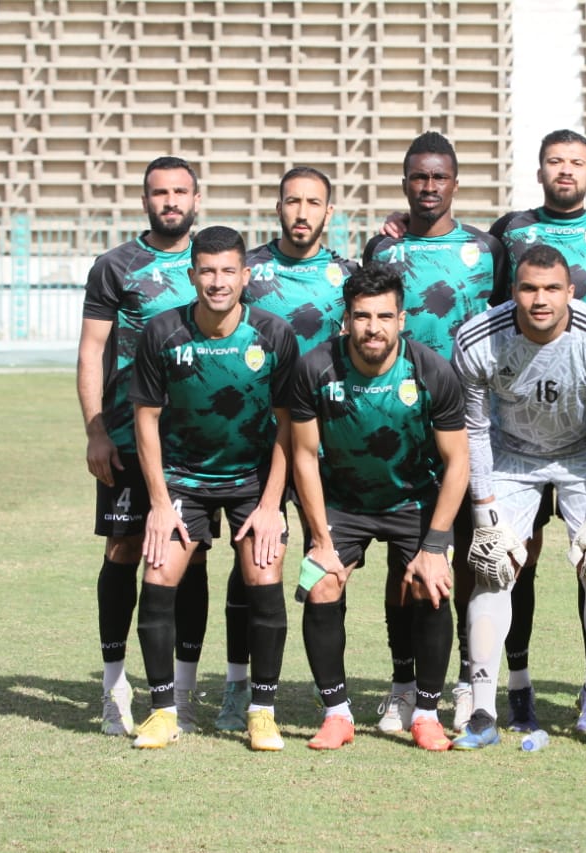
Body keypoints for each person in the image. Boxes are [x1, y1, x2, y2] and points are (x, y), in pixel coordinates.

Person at [449, 243, 586, 751]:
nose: (540, 299)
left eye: (552, 288)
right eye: (529, 288)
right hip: (510, 453)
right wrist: (484, 509)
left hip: (584, 454)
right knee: (492, 568)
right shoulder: (477, 339)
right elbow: (473, 429)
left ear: (570, 291)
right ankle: (483, 712)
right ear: (513, 292)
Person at [127, 225, 297, 751]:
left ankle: (261, 712)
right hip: (183, 478)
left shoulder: (274, 334)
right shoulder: (162, 333)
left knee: (264, 571)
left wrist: (271, 505)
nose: (217, 282)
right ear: (191, 275)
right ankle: (163, 712)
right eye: (207, 271)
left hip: (252, 481)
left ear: (246, 276)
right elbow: (146, 419)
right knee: (159, 572)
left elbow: (288, 425)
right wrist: (159, 504)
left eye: (227, 271)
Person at [290, 264, 470, 752]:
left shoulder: (432, 371)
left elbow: (458, 462)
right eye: (363, 316)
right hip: (343, 502)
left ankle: (426, 714)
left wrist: (435, 546)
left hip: (414, 500)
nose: (374, 328)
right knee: (320, 581)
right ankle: (336, 714)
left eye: (384, 316)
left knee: (431, 585)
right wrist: (320, 540)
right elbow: (303, 456)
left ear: (401, 319)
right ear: (346, 320)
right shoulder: (315, 368)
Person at [363, 131, 504, 733]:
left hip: (471, 422)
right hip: (399, 425)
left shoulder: (489, 249)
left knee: (469, 554)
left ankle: (471, 681)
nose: (428, 187)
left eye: (438, 176)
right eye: (418, 177)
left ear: (455, 183)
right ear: (404, 183)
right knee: (404, 558)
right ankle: (403, 685)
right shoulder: (382, 248)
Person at [214, 165, 359, 733]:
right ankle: (237, 685)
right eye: (292, 201)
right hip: (262, 440)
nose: (302, 213)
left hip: (330, 443)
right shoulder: (250, 270)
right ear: (278, 208)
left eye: (313, 202)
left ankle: (334, 698)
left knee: (331, 562)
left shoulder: (347, 274)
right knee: (252, 562)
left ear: (329, 212)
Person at [76, 156, 213, 736]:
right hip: (130, 438)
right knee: (125, 550)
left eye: (180, 191)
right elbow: (91, 349)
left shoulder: (217, 261)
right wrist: (96, 430)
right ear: (145, 201)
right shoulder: (116, 266)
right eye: (160, 192)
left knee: (191, 554)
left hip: (199, 441)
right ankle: (114, 687)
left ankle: (183, 689)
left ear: (196, 199)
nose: (171, 201)